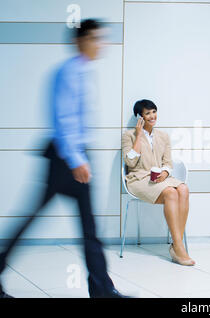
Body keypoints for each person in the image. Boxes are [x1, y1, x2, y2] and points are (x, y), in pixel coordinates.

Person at [0, 19, 128, 298]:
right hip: (66, 159)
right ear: (80, 40)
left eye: (102, 38)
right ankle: (102, 290)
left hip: (74, 156)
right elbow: (64, 118)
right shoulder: (69, 72)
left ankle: (102, 289)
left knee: (87, 228)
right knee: (42, 220)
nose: (101, 44)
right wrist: (76, 160)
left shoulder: (84, 71)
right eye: (95, 38)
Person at [122, 99, 194, 266]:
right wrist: (139, 135)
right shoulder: (129, 136)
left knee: (183, 189)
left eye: (154, 111)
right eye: (147, 113)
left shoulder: (163, 136)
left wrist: (166, 172)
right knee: (171, 193)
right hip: (138, 179)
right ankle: (178, 247)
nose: (152, 116)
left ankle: (176, 246)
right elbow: (130, 162)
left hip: (160, 179)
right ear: (140, 117)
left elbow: (168, 162)